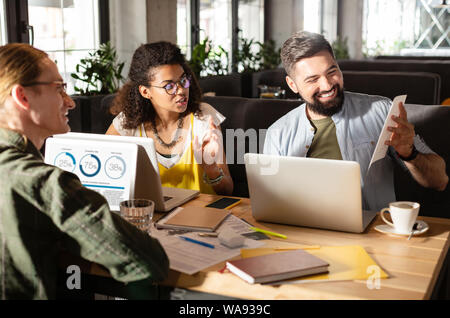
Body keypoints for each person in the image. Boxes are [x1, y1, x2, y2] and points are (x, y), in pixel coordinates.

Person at [0, 43, 169, 299]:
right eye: (59, 89)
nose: (70, 102)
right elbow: (149, 262)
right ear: (22, 97)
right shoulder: (45, 183)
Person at [263, 31, 448, 211]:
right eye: (313, 79)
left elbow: (440, 181)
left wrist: (410, 153)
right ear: (292, 84)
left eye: (331, 71)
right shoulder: (278, 133)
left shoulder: (382, 111)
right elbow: (270, 201)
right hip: (303, 235)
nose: (327, 85)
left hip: (371, 234)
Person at [106, 42, 233, 196]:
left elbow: (227, 190)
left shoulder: (204, 117)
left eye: (183, 80)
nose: (181, 90)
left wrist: (211, 168)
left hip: (199, 217)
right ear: (146, 92)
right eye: (169, 86)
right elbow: (104, 177)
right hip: (151, 217)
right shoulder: (128, 123)